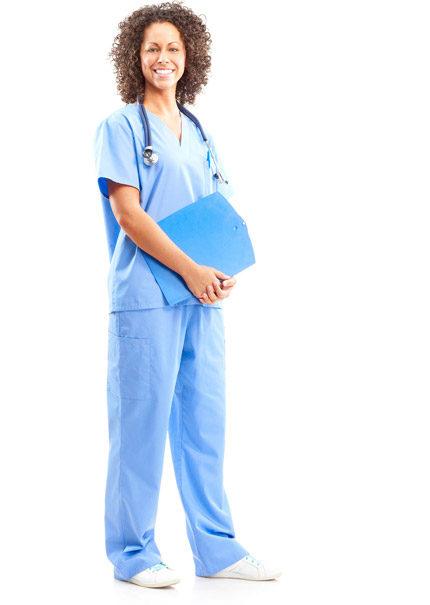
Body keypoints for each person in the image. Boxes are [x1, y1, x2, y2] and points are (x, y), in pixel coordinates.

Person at [93, 0, 282, 589]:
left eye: (173, 47)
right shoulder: (121, 128)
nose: (163, 57)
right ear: (135, 57)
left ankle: (217, 548)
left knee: (205, 421)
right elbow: (129, 215)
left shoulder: (199, 131)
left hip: (202, 298)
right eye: (152, 47)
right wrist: (193, 269)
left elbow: (215, 210)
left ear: (189, 56)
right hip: (147, 296)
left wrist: (220, 271)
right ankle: (133, 553)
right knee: (141, 425)